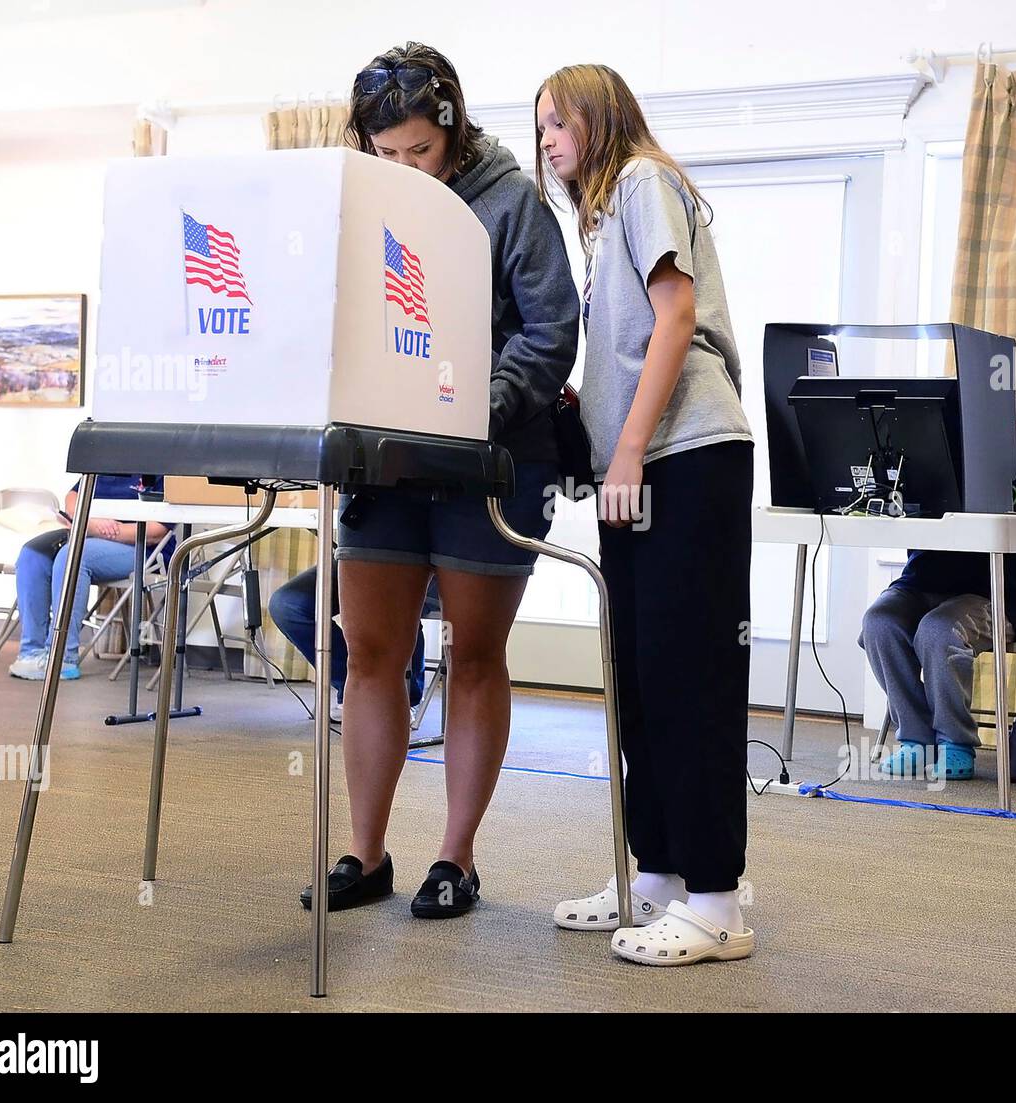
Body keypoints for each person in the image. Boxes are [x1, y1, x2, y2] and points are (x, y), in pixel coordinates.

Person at [300, 41, 579, 918]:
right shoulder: (364, 197)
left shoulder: (513, 202)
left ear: (453, 128)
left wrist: (475, 407)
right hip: (386, 458)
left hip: (490, 459)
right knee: (373, 651)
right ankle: (367, 851)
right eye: (388, 155)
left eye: (419, 151)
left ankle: (456, 857)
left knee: (475, 653)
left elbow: (551, 330)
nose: (405, 168)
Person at [536, 65, 756, 966]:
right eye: (540, 126)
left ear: (599, 117)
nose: (547, 140)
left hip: (687, 455)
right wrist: (584, 409)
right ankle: (659, 873)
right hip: (641, 461)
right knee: (641, 674)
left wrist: (624, 448)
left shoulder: (639, 181)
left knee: (691, 675)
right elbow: (631, 350)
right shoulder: (598, 221)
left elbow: (677, 318)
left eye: (559, 123)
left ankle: (719, 902)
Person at [859, 393, 1016, 780]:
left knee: (938, 630)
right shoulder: (925, 461)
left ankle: (955, 741)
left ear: (1013, 425)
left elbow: (1010, 503)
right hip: (922, 585)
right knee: (878, 623)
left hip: (992, 596)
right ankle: (915, 737)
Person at [9, 475, 170, 681]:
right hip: (91, 533)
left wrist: (100, 529)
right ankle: (31, 651)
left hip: (141, 546)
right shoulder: (104, 460)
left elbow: (157, 530)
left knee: (71, 556)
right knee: (32, 555)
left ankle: (62, 657)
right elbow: (73, 497)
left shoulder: (160, 467)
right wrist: (92, 525)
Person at [267, 565, 434, 723]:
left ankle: (401, 696)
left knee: (389, 589)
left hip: (422, 562)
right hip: (354, 554)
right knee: (287, 605)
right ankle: (357, 688)